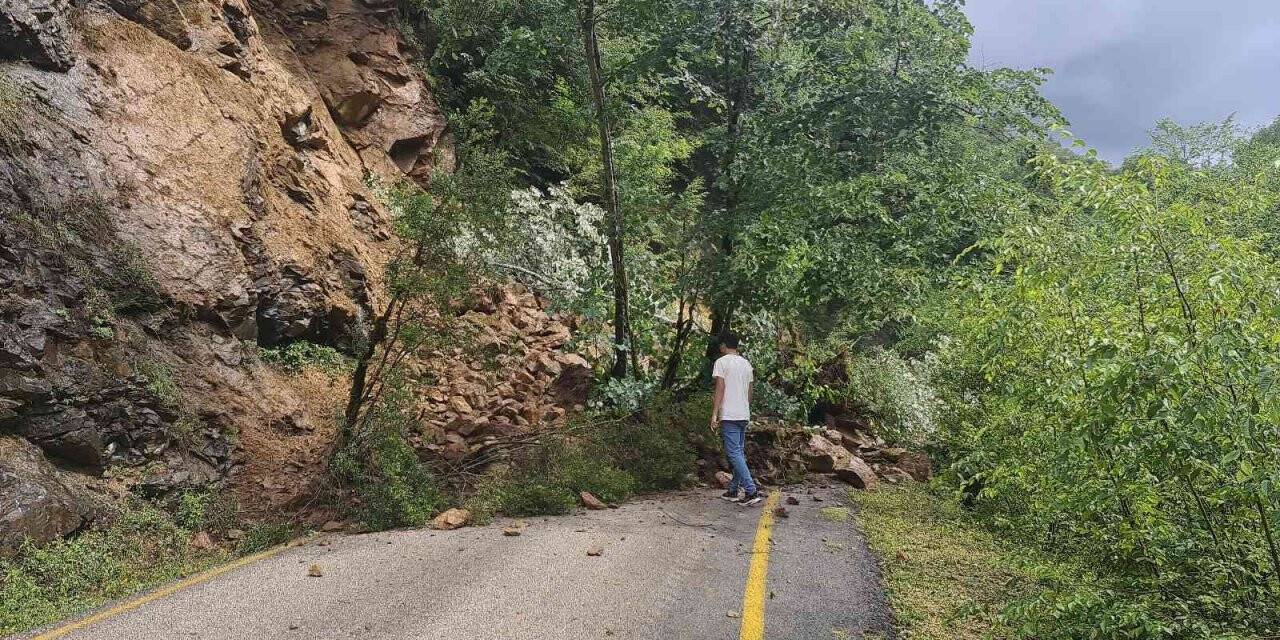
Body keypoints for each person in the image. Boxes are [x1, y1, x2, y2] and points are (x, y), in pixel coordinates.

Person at [709, 332, 763, 506]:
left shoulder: (721, 362)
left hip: (730, 414)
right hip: (743, 413)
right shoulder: (746, 364)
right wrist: (744, 408)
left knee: (734, 453)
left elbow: (720, 388)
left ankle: (751, 490)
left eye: (720, 345)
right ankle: (733, 490)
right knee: (738, 452)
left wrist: (715, 413)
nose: (719, 347)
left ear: (724, 345)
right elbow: (750, 392)